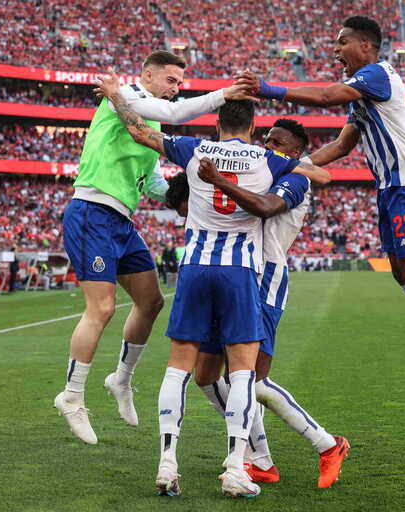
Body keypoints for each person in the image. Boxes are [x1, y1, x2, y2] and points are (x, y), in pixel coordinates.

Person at [98, 87, 329, 497]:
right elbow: (313, 174)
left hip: (195, 267)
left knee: (177, 367)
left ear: (217, 122)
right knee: (242, 372)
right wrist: (302, 166)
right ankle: (236, 468)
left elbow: (138, 131)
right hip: (240, 271)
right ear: (254, 127)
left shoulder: (193, 147)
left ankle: (168, 464)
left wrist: (116, 97)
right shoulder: (269, 159)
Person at [237, 15, 405, 395]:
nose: (336, 51)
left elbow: (324, 96)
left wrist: (270, 89)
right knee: (402, 274)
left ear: (366, 46)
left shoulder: (379, 76)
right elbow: (340, 146)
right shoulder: (364, 98)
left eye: (342, 43)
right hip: (389, 188)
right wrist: (289, 166)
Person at [54, 51, 257, 445]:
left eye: (180, 83)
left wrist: (192, 200)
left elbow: (154, 183)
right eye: (172, 80)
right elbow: (178, 113)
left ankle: (121, 381)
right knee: (102, 308)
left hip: (120, 220)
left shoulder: (148, 120)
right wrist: (224, 94)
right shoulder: (125, 96)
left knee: (151, 301)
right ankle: (72, 395)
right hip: (91, 210)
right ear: (148, 74)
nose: (176, 89)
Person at [171, 119, 349, 488]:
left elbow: (285, 190)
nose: (267, 146)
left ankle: (327, 444)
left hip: (263, 277)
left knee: (253, 380)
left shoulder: (294, 179)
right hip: (230, 272)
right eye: (265, 139)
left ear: (295, 153)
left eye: (276, 142)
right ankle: (260, 459)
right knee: (206, 376)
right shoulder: (264, 165)